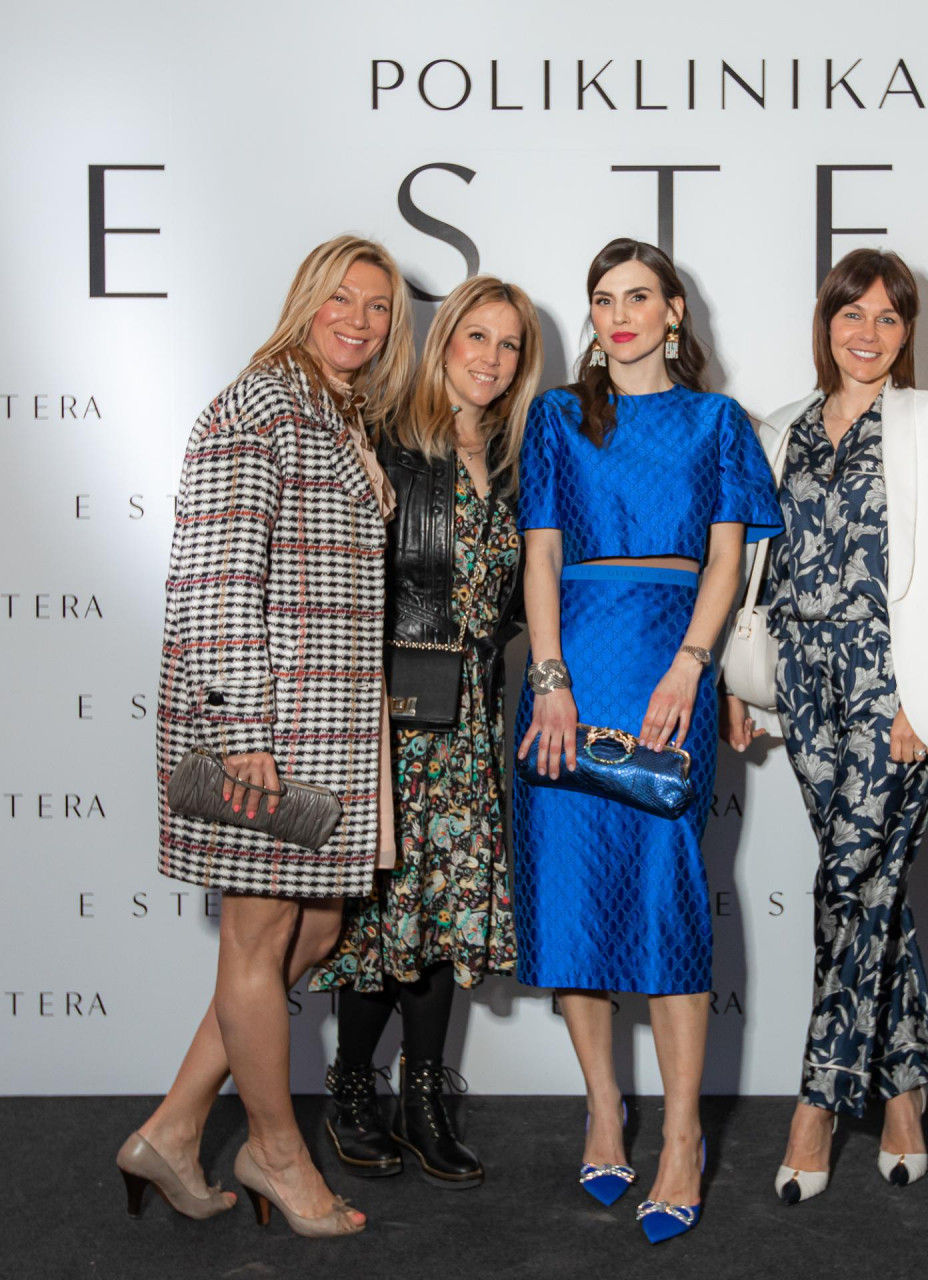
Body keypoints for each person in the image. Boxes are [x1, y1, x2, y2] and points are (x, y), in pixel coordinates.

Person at [115, 235, 415, 1237]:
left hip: (326, 725)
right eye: (342, 298)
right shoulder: (260, 404)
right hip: (270, 725)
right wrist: (241, 725)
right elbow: (216, 575)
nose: (360, 320)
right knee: (258, 935)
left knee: (315, 930)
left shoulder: (335, 408)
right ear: (306, 301)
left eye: (378, 306)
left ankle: (173, 1126)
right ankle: (276, 1152)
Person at [512, 237, 782, 1244]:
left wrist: (690, 665)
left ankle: (680, 1135)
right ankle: (602, 1108)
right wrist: (549, 678)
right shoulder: (556, 415)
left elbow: (726, 561)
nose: (618, 315)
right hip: (568, 673)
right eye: (601, 298)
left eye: (637, 296)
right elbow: (541, 558)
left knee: (667, 896)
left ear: (673, 310)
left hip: (671, 669)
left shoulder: (716, 422)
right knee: (572, 892)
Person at [721, 248, 928, 1201]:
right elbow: (759, 568)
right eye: (853, 314)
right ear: (826, 322)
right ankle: (905, 1092)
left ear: (908, 331)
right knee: (872, 890)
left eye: (888, 317)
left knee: (848, 881)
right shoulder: (783, 427)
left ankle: (817, 1103)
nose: (868, 333)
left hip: (897, 692)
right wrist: (744, 684)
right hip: (804, 683)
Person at [310, 276, 542, 1187]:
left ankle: (424, 1100)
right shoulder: (386, 439)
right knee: (382, 915)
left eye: (509, 344)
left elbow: (522, 592)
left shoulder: (515, 456)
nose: (491, 358)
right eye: (475, 337)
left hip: (473, 716)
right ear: (443, 339)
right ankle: (351, 1092)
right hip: (394, 718)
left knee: (445, 916)